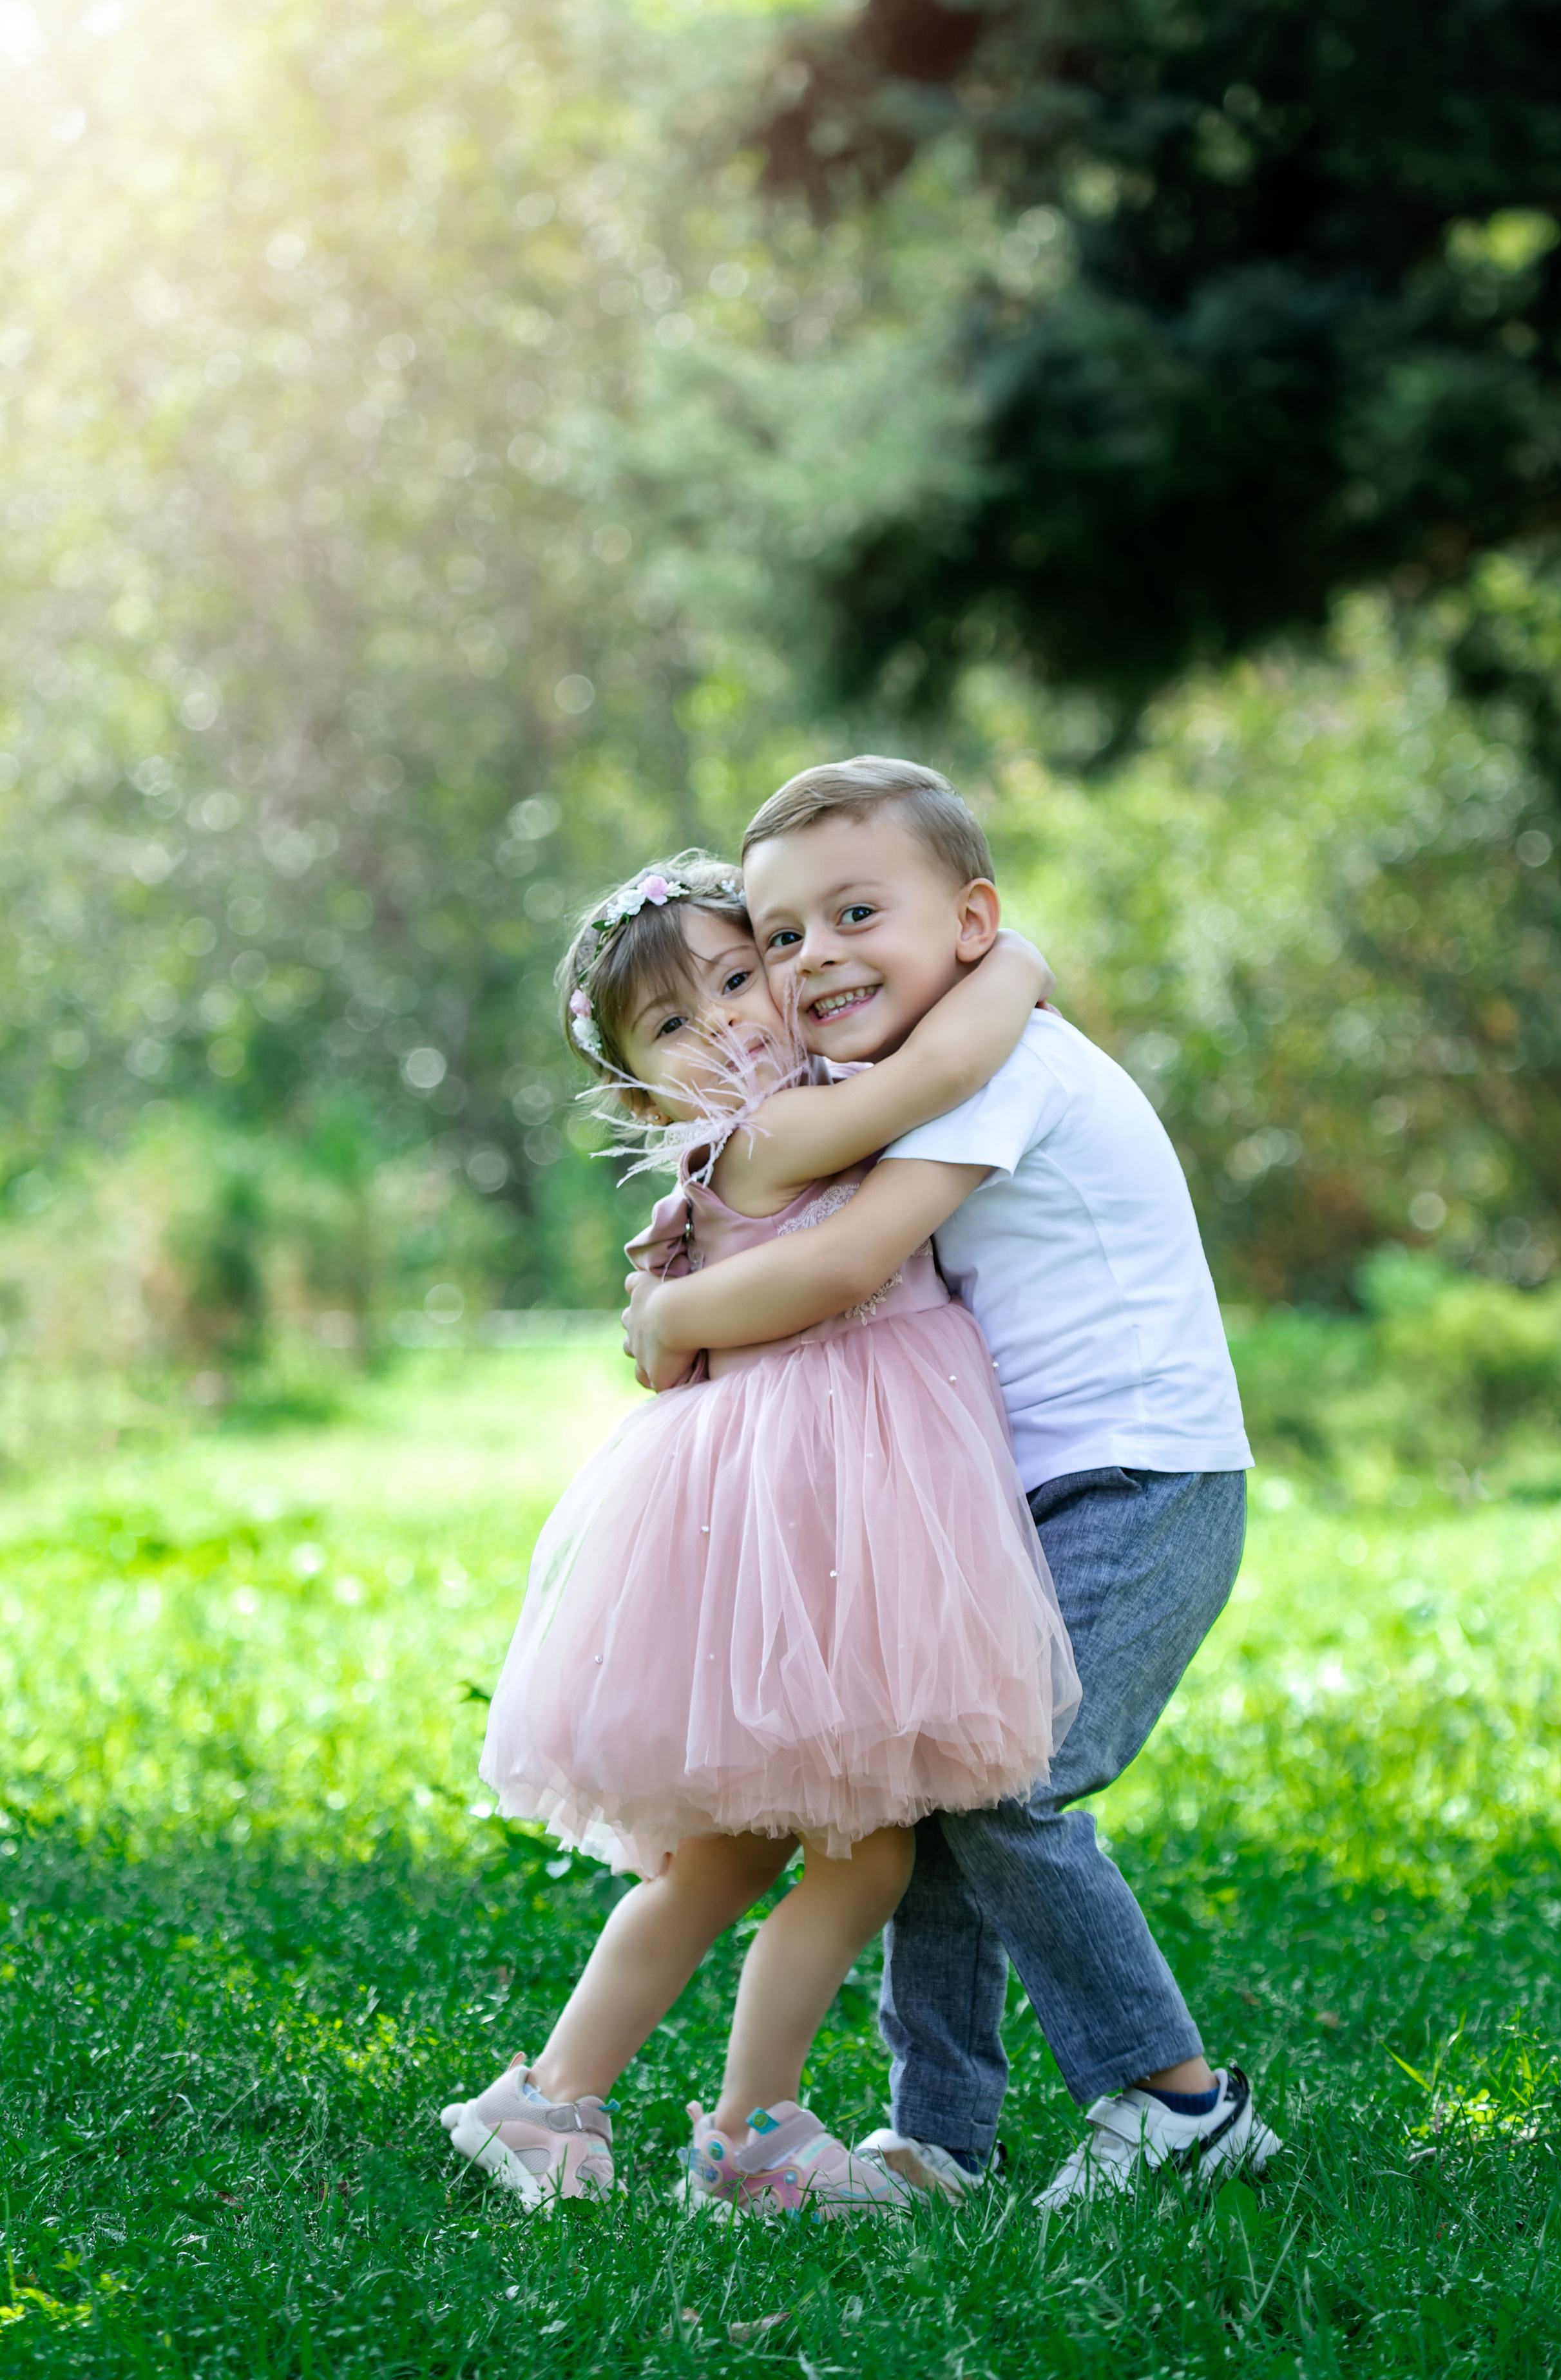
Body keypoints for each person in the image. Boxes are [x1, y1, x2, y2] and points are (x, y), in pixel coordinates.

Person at [625, 760, 1280, 2207]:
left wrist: (670, 1321)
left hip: (1138, 1477)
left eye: (858, 912)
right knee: (932, 1780)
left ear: (971, 921)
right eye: (782, 938)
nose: (813, 961)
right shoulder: (908, 1075)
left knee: (1006, 1778)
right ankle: (939, 2135)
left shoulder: (1005, 1064)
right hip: (1024, 1490)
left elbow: (848, 1266)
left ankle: (1177, 2103)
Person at [440, 850, 1078, 2216]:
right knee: (854, 1855)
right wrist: (1010, 964)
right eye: (673, 1022)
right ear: (633, 1089)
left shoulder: (796, 1112)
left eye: (739, 976)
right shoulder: (772, 1134)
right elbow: (940, 1075)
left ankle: (558, 2101)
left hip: (822, 1506)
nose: (726, 1020)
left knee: (738, 1857)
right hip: (808, 1510)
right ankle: (742, 2136)